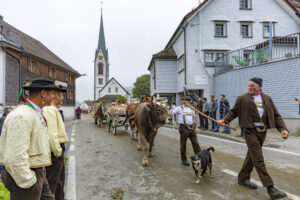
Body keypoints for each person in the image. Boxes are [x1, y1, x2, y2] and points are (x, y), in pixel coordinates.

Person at [218, 77, 289, 200]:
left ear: (259, 87)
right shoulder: (242, 98)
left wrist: (283, 129)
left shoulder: (267, 99)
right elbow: (233, 112)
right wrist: (224, 120)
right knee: (258, 158)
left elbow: (276, 115)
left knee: (251, 156)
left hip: (262, 132)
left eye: (252, 86)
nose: (249, 88)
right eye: (249, 85)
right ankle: (270, 188)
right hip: (249, 131)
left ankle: (243, 178)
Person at [0, 78, 57, 200]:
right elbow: (14, 156)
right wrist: (29, 181)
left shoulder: (32, 112)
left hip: (37, 172)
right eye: (52, 93)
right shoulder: (22, 115)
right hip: (26, 177)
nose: (54, 96)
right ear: (43, 94)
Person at [43, 86, 68, 200]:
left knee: (59, 181)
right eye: (61, 95)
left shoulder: (52, 109)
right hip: (55, 151)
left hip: (56, 150)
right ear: (55, 96)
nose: (62, 98)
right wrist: (58, 152)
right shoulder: (50, 110)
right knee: (53, 182)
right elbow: (51, 135)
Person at [172, 96, 201, 166]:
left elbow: (194, 118)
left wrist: (196, 127)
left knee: (196, 144)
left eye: (186, 100)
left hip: (192, 128)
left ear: (190, 101)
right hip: (183, 128)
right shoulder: (179, 108)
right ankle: (184, 159)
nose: (184, 101)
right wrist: (171, 113)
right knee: (183, 144)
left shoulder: (192, 108)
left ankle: (199, 158)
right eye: (183, 100)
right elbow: (172, 113)